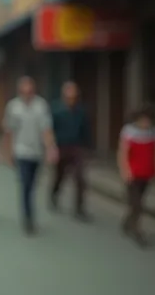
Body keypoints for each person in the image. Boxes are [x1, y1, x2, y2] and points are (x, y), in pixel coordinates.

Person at [3, 76, 58, 236]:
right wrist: (8, 152)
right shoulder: (13, 107)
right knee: (25, 184)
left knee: (33, 185)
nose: (28, 94)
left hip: (37, 152)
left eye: (30, 91)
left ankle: (29, 212)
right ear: (20, 91)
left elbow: (46, 129)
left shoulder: (41, 106)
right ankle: (28, 217)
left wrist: (50, 148)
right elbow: (9, 131)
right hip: (21, 151)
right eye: (24, 91)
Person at [117, 106, 155, 247]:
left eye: (148, 120)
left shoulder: (154, 134)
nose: (145, 123)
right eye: (143, 120)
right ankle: (137, 231)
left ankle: (127, 222)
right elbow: (123, 153)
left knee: (138, 202)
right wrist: (124, 171)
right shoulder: (129, 132)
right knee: (137, 204)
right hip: (133, 175)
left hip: (147, 174)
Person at [49, 81, 92, 221]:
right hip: (61, 146)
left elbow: (86, 130)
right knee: (59, 176)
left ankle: (79, 208)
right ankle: (54, 194)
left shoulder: (81, 111)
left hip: (76, 147)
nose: (71, 98)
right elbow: (50, 130)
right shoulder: (56, 110)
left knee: (80, 178)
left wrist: (87, 147)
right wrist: (51, 147)